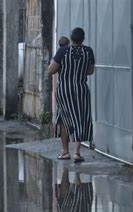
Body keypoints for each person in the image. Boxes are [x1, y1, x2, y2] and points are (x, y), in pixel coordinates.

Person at [48, 27, 95, 163]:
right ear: (83, 38)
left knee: (64, 118)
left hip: (65, 90)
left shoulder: (63, 51)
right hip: (81, 89)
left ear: (71, 38)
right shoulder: (88, 51)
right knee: (79, 117)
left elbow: (51, 70)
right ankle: (77, 153)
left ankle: (65, 152)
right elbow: (90, 71)